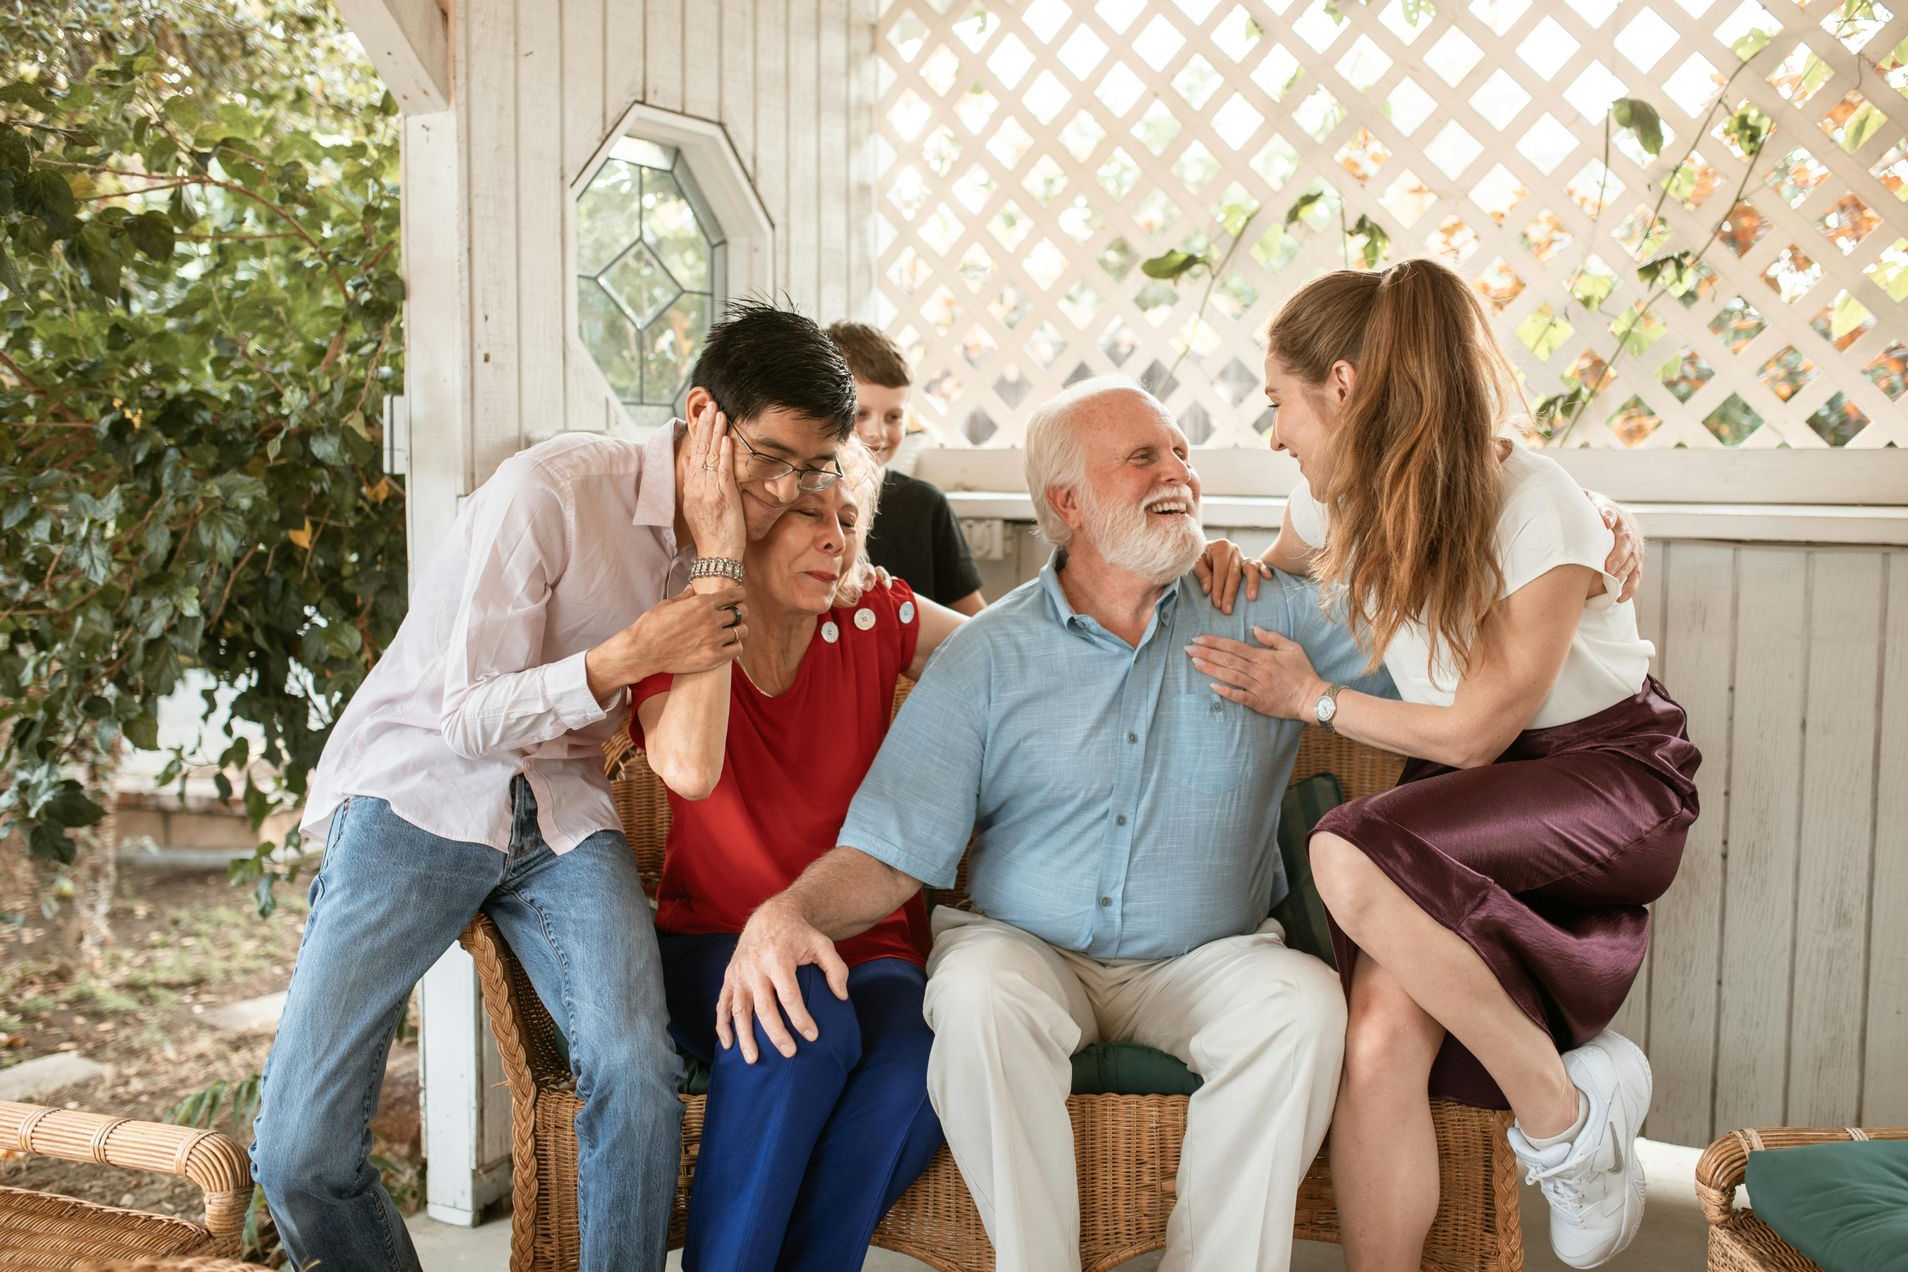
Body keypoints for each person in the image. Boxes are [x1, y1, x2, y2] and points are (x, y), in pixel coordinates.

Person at [715, 376, 1404, 1272]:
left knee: (1304, 1008)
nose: (1179, 474)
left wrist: (1572, 536)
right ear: (1068, 503)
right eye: (1145, 456)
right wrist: (790, 913)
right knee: (972, 995)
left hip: (1210, 957)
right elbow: (889, 853)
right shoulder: (989, 655)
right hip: (1027, 950)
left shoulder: (1265, 610)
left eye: (1182, 455)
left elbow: (1441, 637)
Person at [249, 302, 858, 1272]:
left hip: (566, 811)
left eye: (813, 468)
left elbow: (709, 740)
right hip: (423, 789)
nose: (788, 490)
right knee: (299, 1152)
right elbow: (465, 716)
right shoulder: (555, 489)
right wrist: (620, 657)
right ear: (703, 413)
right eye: (771, 458)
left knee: (634, 1068)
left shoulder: (747, 535)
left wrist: (715, 554)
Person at [1186, 259, 1700, 1271]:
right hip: (1464, 807)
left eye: (1280, 403)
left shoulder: (1538, 505)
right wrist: (1220, 560)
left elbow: (1474, 732)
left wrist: (1315, 697)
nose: (1276, 432)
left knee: (1344, 853)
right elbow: (1271, 562)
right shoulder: (1335, 504)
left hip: (1606, 785)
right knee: (1376, 1030)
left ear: (1341, 386)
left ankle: (1563, 1113)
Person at [630, 436, 965, 1271]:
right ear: (752, 522)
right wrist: (721, 592)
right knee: (799, 1025)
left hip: (868, 939)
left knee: (922, 1060)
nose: (836, 538)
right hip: (714, 939)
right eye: (809, 515)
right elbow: (691, 771)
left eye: (849, 519)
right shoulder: (677, 628)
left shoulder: (874, 615)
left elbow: (1013, 653)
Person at [825, 320, 986, 613]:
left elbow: (972, 617)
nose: (878, 433)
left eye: (893, 416)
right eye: (860, 414)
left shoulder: (926, 505)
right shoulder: (803, 502)